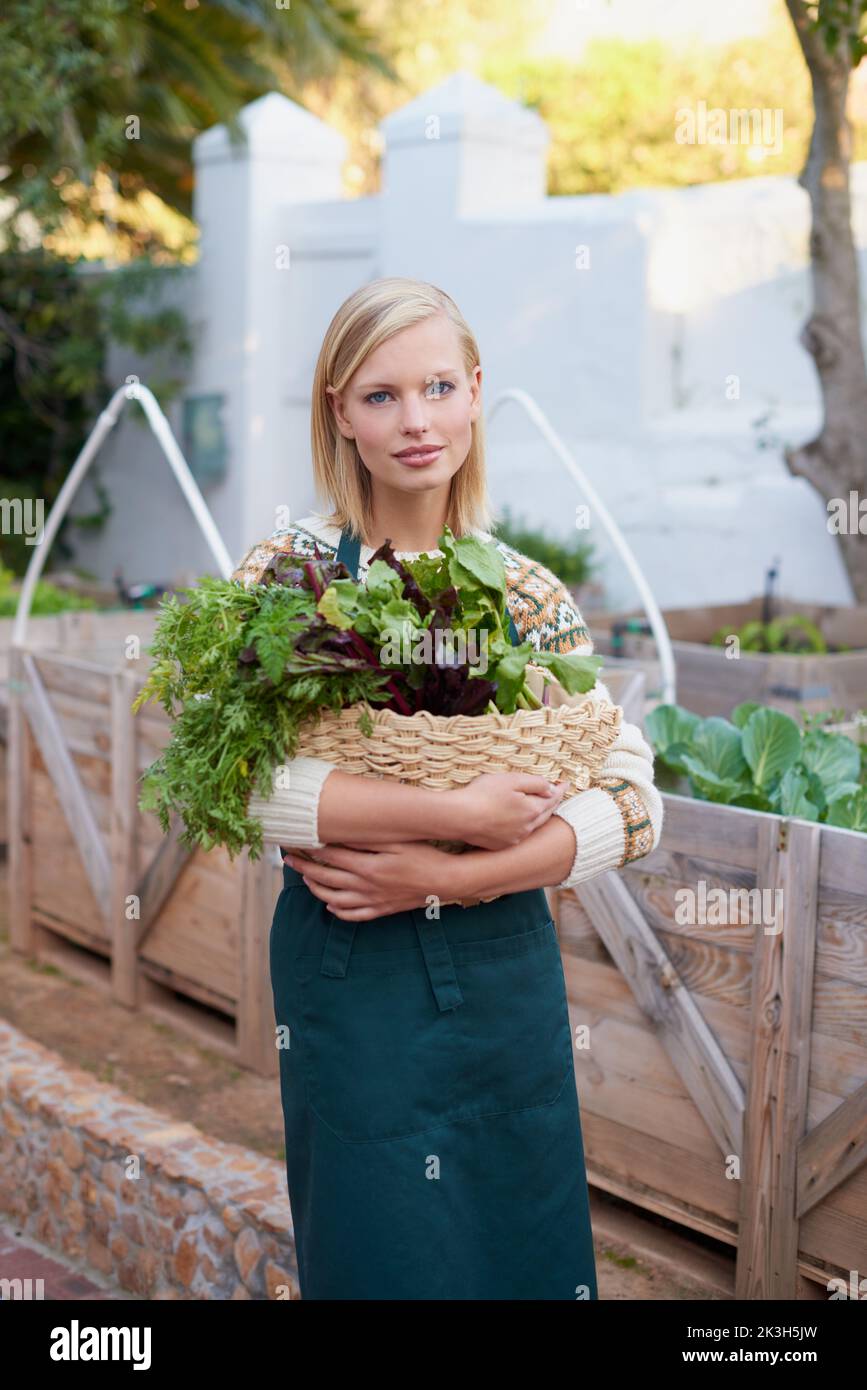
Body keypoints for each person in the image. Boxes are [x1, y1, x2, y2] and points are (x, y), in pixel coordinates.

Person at [231, 276, 663, 1300]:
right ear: (339, 411)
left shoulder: (528, 596)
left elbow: (635, 799)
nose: (415, 420)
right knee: (376, 1249)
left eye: (436, 386)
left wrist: (461, 873)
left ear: (475, 392)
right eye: (381, 396)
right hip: (351, 971)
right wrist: (454, 815)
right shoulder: (291, 573)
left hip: (505, 964)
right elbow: (248, 786)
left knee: (527, 1247)